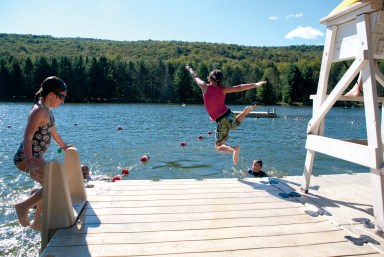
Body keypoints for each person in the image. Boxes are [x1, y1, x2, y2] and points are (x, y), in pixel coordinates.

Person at [13, 76, 70, 230]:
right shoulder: (38, 111)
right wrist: (31, 163)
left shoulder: (48, 111)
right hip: (27, 157)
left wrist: (65, 147)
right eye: (62, 97)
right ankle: (23, 206)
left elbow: (54, 133)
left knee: (49, 185)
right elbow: (27, 137)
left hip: (35, 156)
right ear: (51, 95)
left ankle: (38, 221)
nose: (63, 101)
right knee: (54, 183)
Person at [185, 65, 267, 164]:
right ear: (221, 80)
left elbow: (195, 76)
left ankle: (234, 149)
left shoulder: (204, 86)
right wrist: (256, 84)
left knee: (218, 147)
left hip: (221, 119)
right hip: (229, 114)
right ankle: (244, 112)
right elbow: (239, 87)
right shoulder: (223, 89)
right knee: (234, 125)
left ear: (210, 78)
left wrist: (190, 69)